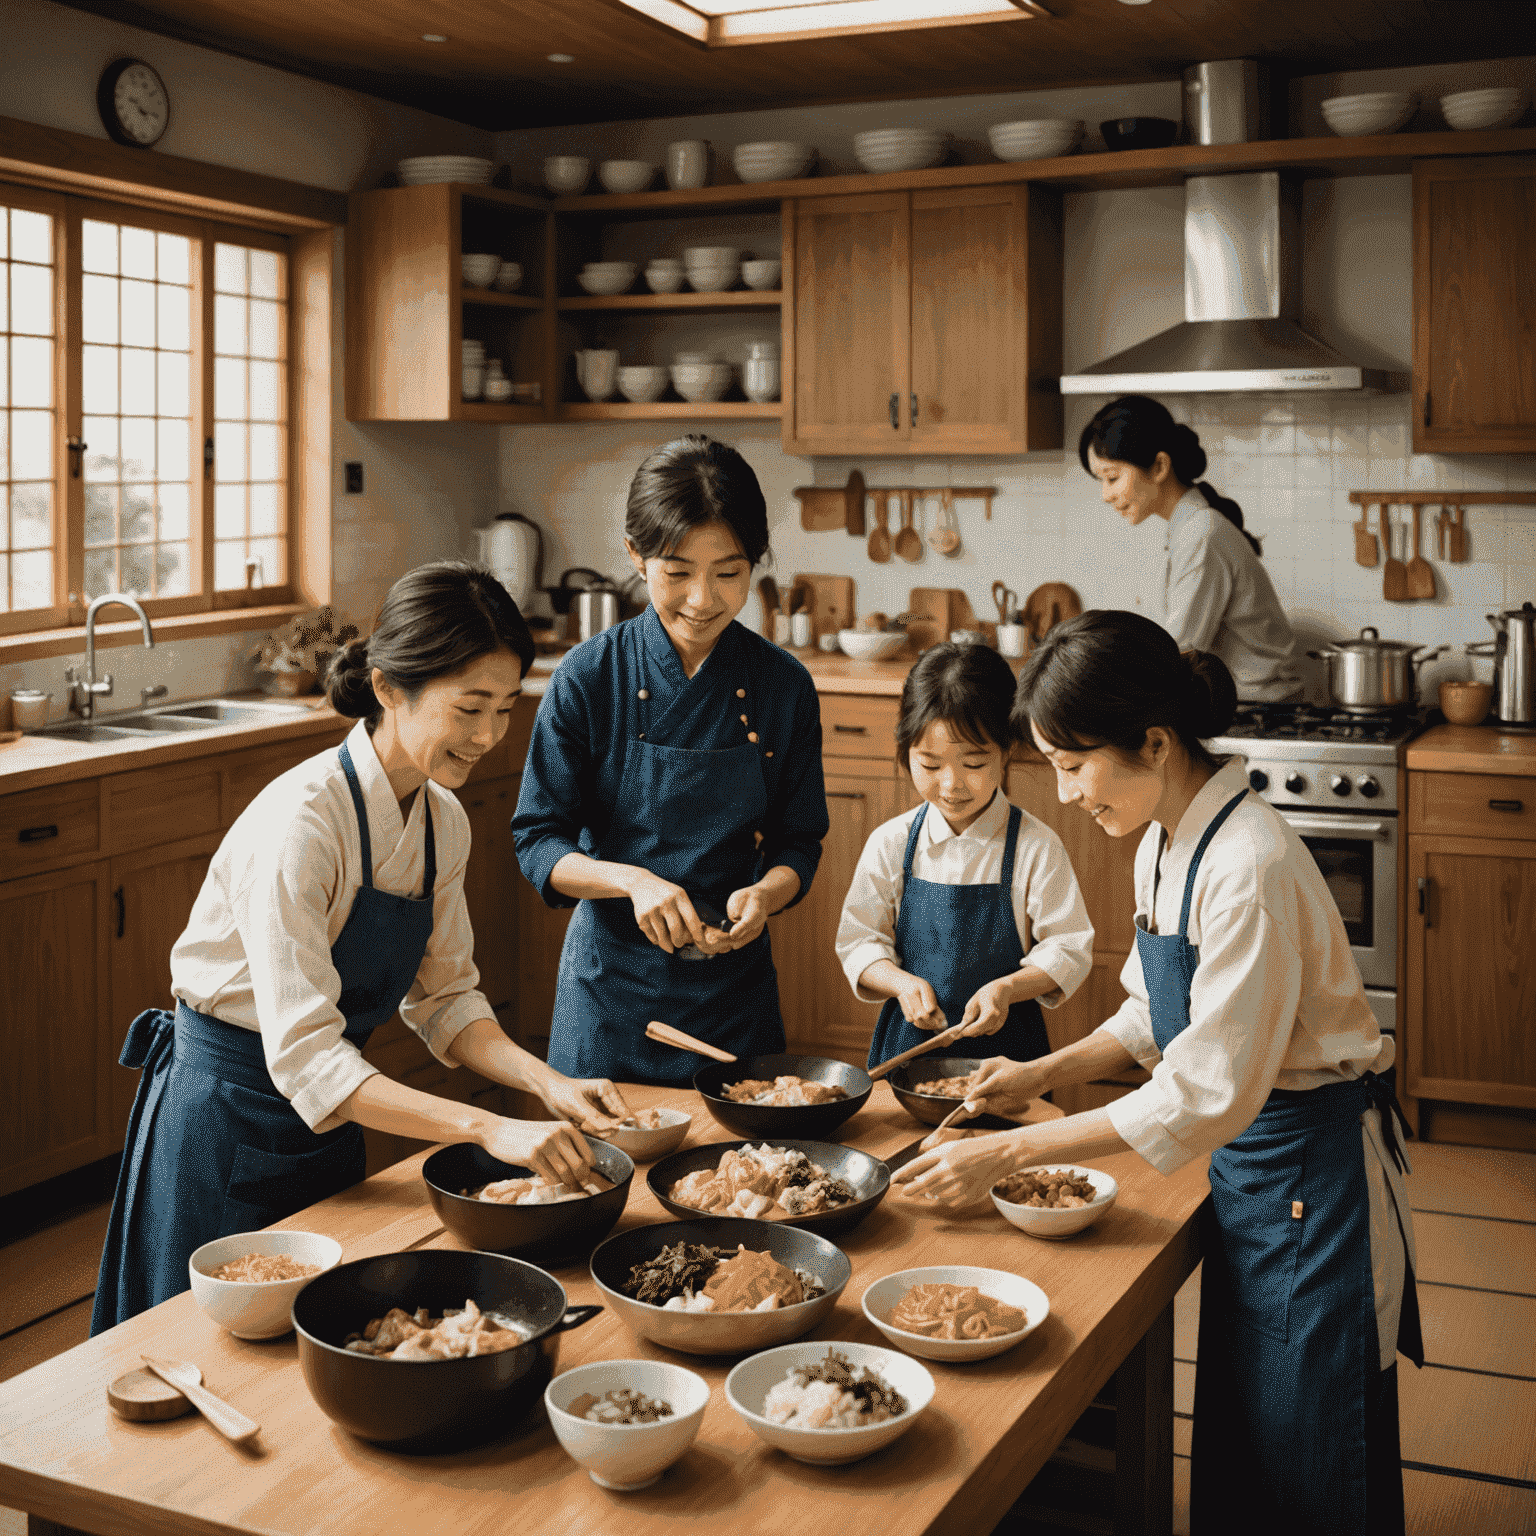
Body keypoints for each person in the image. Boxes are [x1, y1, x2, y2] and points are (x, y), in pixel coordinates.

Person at [891, 610, 1422, 1535]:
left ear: (1155, 741)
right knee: (1250, 1421)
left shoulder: (1248, 865)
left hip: (1308, 1177)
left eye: (1071, 764)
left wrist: (1003, 1159)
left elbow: (1203, 1089)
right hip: (1251, 1166)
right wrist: (1038, 1070)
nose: (1061, 796)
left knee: (1308, 1441)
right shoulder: (1165, 840)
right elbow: (1151, 1015)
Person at [93, 562, 629, 1334]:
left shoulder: (443, 820)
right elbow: (307, 1058)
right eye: (469, 708)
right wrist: (488, 1126)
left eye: (506, 708)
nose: (489, 736)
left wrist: (546, 1083)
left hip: (332, 1118)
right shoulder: (303, 824)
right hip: (225, 1121)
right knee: (193, 1358)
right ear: (387, 688)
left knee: (322, 1343)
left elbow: (447, 1001)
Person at [512, 435, 828, 1085]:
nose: (702, 599)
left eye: (729, 573)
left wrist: (766, 895)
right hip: (611, 996)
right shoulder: (587, 677)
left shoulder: (783, 685)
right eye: (677, 572)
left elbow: (800, 841)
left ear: (756, 563)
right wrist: (631, 882)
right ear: (636, 555)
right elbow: (538, 841)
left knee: (745, 1179)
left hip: (733, 997)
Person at [836, 641, 1093, 1070]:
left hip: (1010, 1054)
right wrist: (899, 983)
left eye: (974, 764)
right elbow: (858, 941)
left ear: (1007, 751)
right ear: (906, 752)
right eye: (931, 765)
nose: (952, 784)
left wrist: (1009, 989)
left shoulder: (1035, 845)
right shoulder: (892, 842)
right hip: (909, 1052)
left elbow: (1068, 949)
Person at [1082, 394, 1301, 701]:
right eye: (1101, 481)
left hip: (1257, 711)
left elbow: (1181, 649)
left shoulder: (1201, 531)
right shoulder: (1191, 527)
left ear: (1159, 466)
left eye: (1112, 477)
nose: (1106, 495)